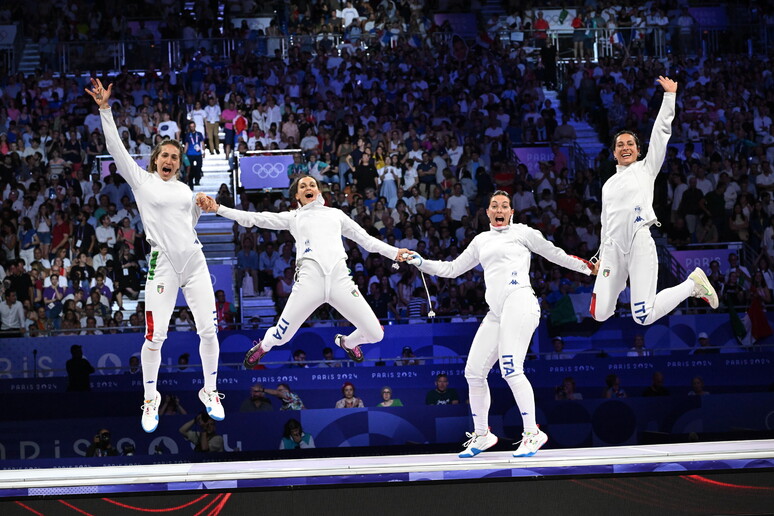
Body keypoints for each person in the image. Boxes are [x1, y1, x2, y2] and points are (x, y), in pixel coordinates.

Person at [406, 190, 595, 458]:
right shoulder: (481, 240)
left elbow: (556, 254)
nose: (499, 209)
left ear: (511, 212)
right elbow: (452, 269)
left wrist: (588, 267)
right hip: (496, 312)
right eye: (494, 205)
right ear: (487, 212)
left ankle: (532, 433)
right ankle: (482, 434)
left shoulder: (523, 233)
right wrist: (422, 263)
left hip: (520, 302)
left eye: (504, 206)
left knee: (510, 369)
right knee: (473, 372)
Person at [86, 78, 223, 433]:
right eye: (164, 155)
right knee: (154, 337)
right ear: (155, 159)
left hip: (194, 263)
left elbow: (189, 225)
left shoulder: (185, 190)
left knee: (209, 330)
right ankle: (150, 399)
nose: (170, 160)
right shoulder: (142, 181)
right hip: (161, 266)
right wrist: (105, 109)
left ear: (179, 164)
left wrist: (201, 205)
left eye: (175, 157)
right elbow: (116, 149)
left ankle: (210, 390)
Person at [197, 175, 410, 366]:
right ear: (298, 195)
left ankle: (346, 342)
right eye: (303, 186)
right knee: (282, 337)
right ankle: (264, 346)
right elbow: (255, 218)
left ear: (318, 192)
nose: (309, 187)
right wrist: (218, 208)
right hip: (309, 282)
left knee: (375, 334)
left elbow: (366, 240)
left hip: (340, 281)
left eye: (313, 184)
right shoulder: (293, 217)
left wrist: (395, 253)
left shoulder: (336, 214)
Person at [591, 76, 719, 326]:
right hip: (613, 250)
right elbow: (606, 223)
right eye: (620, 145)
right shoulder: (607, 185)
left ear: (638, 150)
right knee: (599, 313)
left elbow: (660, 134)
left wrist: (669, 97)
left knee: (642, 316)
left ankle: (693, 283)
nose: (625, 147)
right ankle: (616, 284)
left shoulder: (645, 169)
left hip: (639, 240)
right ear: (614, 152)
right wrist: (600, 255)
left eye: (630, 144)